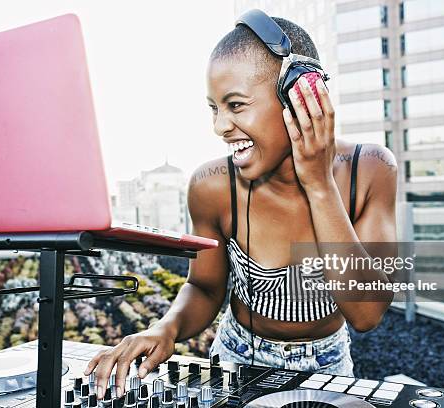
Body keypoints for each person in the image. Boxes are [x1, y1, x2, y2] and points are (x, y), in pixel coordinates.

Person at [85, 13, 397, 400]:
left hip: (328, 364)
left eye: (235, 105)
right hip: (235, 358)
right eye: (214, 108)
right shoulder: (211, 186)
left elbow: (367, 314)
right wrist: (163, 328)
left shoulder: (372, 169)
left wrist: (319, 184)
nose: (219, 126)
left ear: (298, 98)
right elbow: (203, 286)